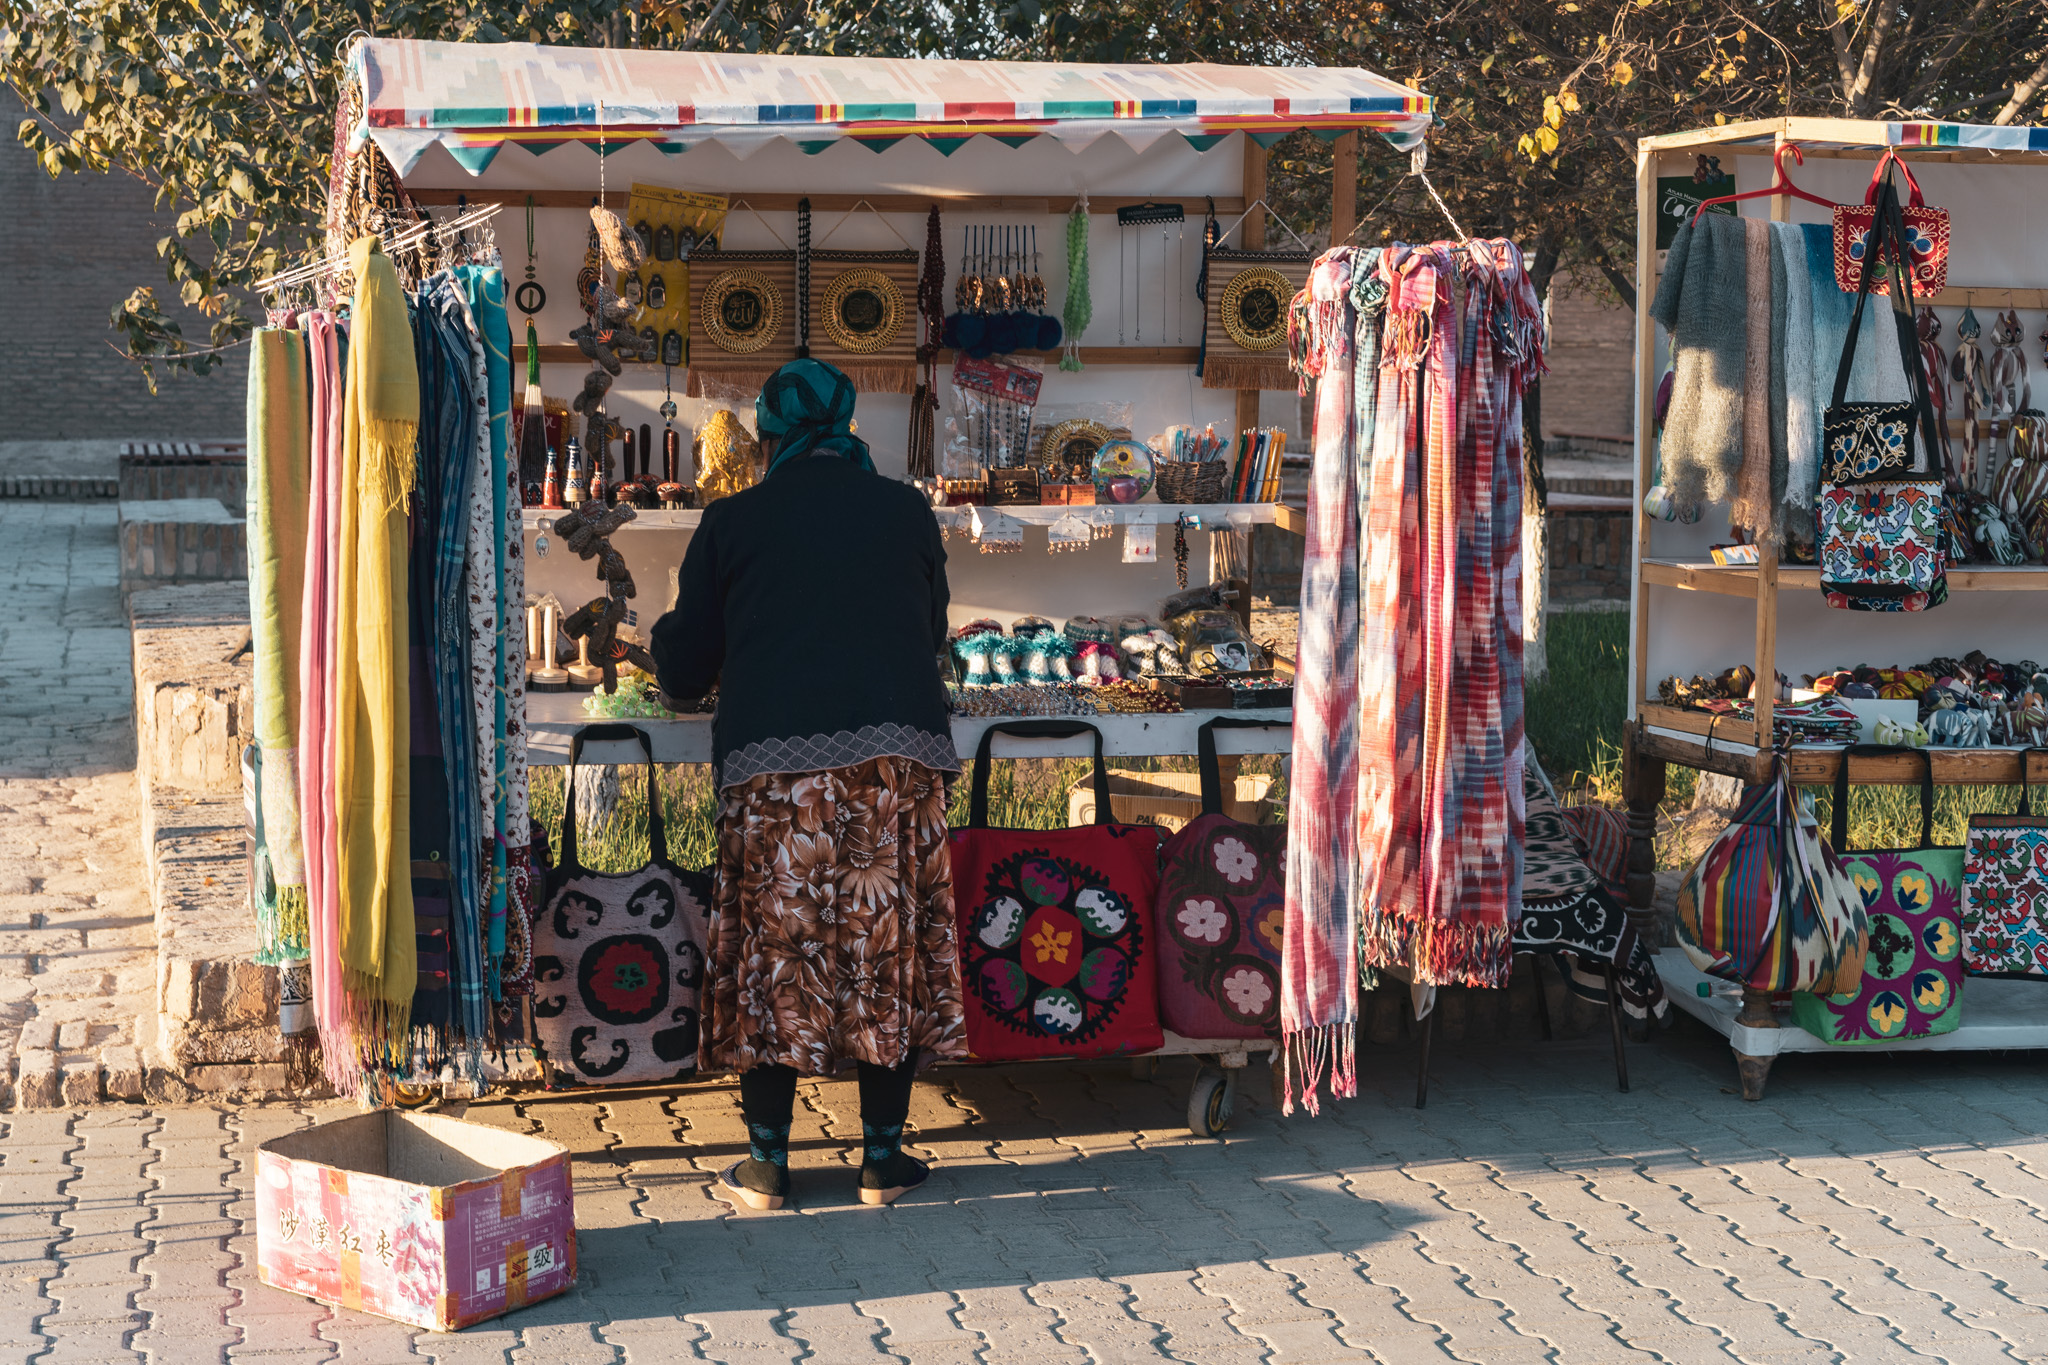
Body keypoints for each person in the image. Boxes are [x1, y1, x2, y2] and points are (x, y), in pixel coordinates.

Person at [651, 358, 965, 1210]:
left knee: (777, 958)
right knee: (880, 953)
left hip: (778, 779)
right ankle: (882, 1161)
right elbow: (930, 629)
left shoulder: (734, 519)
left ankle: (766, 1166)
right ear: (849, 423)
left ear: (769, 434)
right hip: (890, 774)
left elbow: (684, 666)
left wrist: (663, 647)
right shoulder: (904, 509)